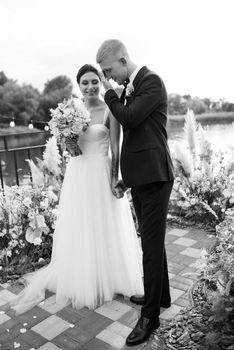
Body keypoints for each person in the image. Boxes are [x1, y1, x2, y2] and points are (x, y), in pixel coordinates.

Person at [11, 64, 143, 314]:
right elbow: (65, 147)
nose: (91, 86)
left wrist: (116, 179)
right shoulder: (70, 111)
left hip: (102, 172)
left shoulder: (110, 108)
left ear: (100, 82)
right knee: (81, 223)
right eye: (85, 82)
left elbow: (115, 147)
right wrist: (66, 143)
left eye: (95, 81)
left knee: (105, 222)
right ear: (79, 85)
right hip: (78, 174)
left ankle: (111, 275)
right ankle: (84, 274)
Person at [96, 39, 174, 346]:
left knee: (150, 248)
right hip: (140, 178)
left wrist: (110, 94)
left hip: (155, 177)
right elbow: (130, 135)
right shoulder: (130, 86)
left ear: (122, 58)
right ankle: (162, 295)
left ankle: (150, 317)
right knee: (151, 242)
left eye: (108, 70)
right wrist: (123, 177)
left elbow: (129, 118)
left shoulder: (151, 82)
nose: (109, 76)